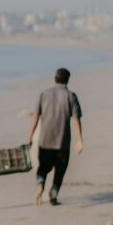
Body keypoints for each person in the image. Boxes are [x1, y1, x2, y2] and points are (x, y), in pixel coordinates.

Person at [28, 67, 83, 206]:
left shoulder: (44, 94)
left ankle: (40, 184)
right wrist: (79, 140)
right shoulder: (71, 96)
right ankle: (53, 195)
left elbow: (35, 116)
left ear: (54, 78)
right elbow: (76, 118)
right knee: (60, 170)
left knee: (43, 168)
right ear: (68, 80)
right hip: (62, 142)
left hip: (45, 141)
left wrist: (30, 136)